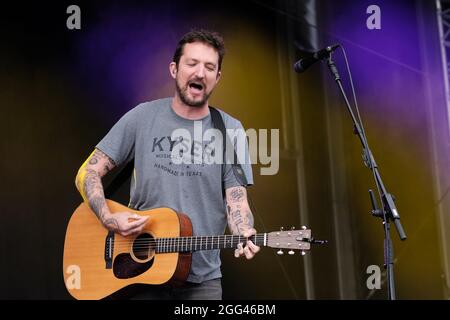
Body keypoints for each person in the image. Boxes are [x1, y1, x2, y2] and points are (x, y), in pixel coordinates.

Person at [74, 29, 259, 300]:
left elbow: (236, 199)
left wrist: (244, 230)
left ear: (217, 78)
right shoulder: (142, 117)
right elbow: (87, 171)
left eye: (209, 67)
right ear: (174, 69)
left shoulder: (230, 129)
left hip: (202, 282)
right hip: (138, 273)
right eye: (192, 63)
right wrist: (108, 217)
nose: (200, 73)